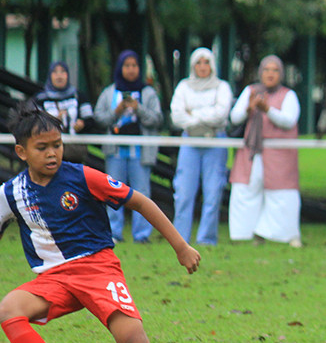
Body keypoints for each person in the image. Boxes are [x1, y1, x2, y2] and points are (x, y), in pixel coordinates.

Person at [0, 101, 200, 343]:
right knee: (9, 308)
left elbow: (140, 201)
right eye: (42, 148)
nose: (52, 153)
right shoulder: (11, 193)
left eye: (57, 145)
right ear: (22, 152)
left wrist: (180, 246)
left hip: (97, 268)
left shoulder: (82, 177)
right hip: (52, 280)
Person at [229, 55, 302, 247]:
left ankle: (288, 235)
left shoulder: (289, 95)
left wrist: (267, 109)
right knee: (246, 189)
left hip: (280, 155)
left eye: (275, 70)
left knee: (282, 193)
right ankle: (248, 233)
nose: (270, 74)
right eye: (267, 70)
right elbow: (235, 117)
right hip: (252, 152)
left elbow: (288, 120)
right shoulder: (251, 91)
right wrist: (249, 107)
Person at [94, 50, 163, 244]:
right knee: (113, 191)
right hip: (115, 152)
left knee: (142, 193)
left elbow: (157, 119)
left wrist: (138, 109)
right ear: (120, 68)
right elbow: (99, 118)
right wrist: (116, 112)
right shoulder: (109, 92)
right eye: (127, 65)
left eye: (134, 65)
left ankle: (142, 235)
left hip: (139, 152)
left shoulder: (148, 93)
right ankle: (114, 233)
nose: (131, 70)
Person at [170, 48, 234, 246]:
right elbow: (177, 116)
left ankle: (206, 238)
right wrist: (204, 116)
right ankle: (180, 239)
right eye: (199, 63)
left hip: (215, 141)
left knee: (213, 192)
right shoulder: (184, 86)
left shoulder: (221, 87)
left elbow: (221, 113)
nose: (203, 67)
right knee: (183, 192)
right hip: (190, 142)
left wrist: (194, 114)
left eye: (207, 62)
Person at [33, 61, 94, 162]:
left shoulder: (78, 96)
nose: (59, 76)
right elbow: (33, 123)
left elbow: (90, 120)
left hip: (73, 153)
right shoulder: (40, 99)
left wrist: (82, 124)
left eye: (63, 72)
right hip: (48, 153)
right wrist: (53, 120)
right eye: (55, 72)